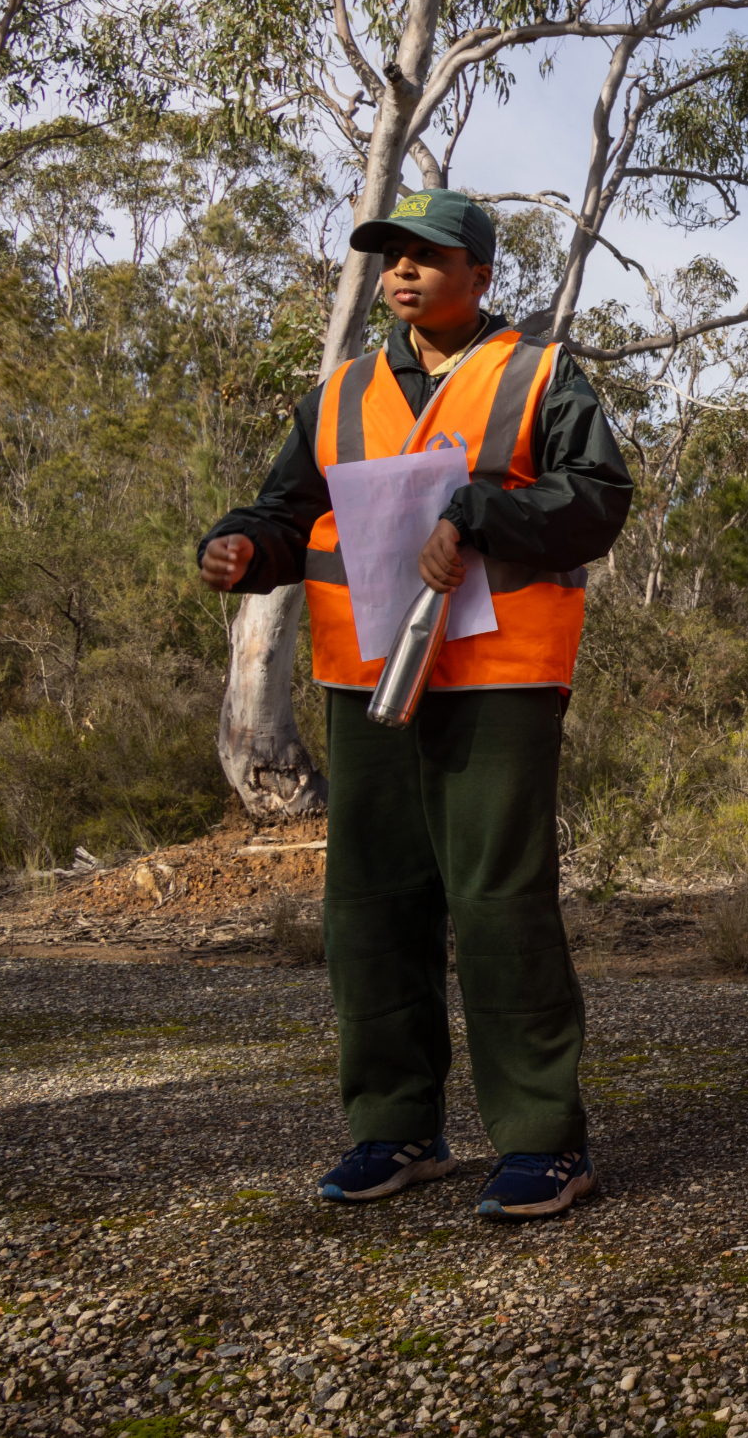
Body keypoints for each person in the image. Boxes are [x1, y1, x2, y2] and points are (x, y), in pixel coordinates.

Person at [196, 188, 633, 1221]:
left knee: (497, 902)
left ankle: (540, 1142)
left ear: (480, 275)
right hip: (365, 677)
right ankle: (395, 1128)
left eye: (429, 255)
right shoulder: (340, 393)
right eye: (392, 254)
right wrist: (243, 544)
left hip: (499, 677)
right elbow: (287, 504)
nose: (404, 269)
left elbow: (598, 501)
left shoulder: (539, 374)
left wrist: (482, 509)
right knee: (371, 906)